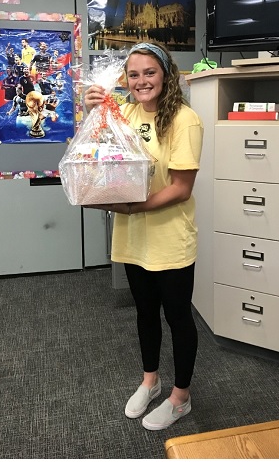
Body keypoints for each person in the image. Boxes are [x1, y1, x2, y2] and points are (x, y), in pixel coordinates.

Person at [82, 41, 203, 431]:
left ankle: (180, 397)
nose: (141, 81)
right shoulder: (124, 113)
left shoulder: (184, 119)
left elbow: (181, 188)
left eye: (149, 72)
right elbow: (100, 155)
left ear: (166, 75)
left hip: (169, 241)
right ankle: (150, 381)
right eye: (133, 74)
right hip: (133, 238)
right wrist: (92, 112)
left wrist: (133, 207)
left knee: (178, 317)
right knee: (146, 313)